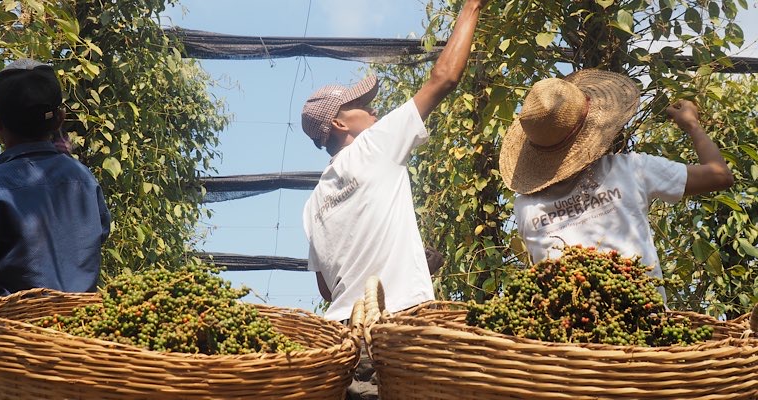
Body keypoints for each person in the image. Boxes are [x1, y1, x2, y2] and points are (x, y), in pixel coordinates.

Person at [301, 0, 488, 324]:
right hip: (400, 321)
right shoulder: (375, 145)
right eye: (360, 105)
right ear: (340, 124)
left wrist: (400, 261)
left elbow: (328, 290)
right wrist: (472, 6)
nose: (373, 111)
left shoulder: (313, 203)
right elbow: (444, 78)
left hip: (345, 332)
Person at [499, 69, 734, 300]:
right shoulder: (630, 169)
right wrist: (691, 125)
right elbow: (719, 175)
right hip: (645, 326)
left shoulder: (526, 209)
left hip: (566, 334)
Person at [0, 58, 111, 299]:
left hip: (11, 330)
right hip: (81, 324)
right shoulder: (83, 179)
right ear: (60, 118)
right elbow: (98, 234)